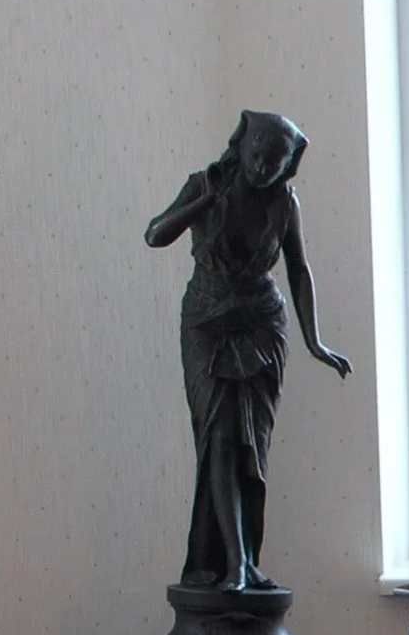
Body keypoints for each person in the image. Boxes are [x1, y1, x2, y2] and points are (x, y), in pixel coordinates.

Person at [145, 110, 351, 593]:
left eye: (275, 162)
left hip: (262, 323)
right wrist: (201, 205)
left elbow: (299, 270)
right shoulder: (204, 185)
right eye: (257, 155)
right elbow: (155, 235)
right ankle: (231, 563)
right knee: (218, 435)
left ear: (287, 166)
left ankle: (245, 563)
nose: (262, 167)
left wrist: (314, 341)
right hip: (208, 321)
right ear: (240, 146)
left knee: (250, 447)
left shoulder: (284, 202)